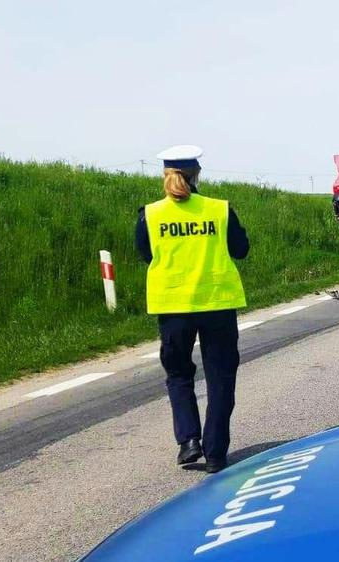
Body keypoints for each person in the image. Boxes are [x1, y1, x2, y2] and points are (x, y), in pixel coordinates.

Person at [135, 145, 249, 473]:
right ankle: (215, 453)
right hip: (217, 303)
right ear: (197, 174)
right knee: (221, 377)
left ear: (165, 175)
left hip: (173, 308)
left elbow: (146, 253)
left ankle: (188, 440)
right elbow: (241, 249)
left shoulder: (151, 215)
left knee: (179, 374)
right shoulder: (220, 210)